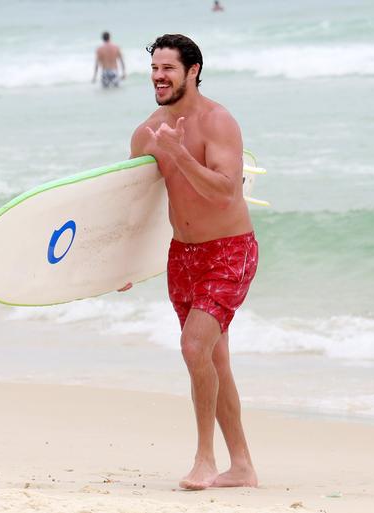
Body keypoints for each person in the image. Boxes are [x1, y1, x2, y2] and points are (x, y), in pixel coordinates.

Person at [128, 34, 258, 490]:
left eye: (168, 69)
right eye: (155, 69)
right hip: (182, 256)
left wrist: (180, 155)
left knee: (193, 348)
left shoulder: (218, 122)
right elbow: (135, 204)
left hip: (229, 250)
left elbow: (226, 193)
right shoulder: (146, 132)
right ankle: (241, 466)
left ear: (193, 71)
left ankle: (205, 459)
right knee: (214, 360)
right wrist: (121, 264)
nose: (159, 77)